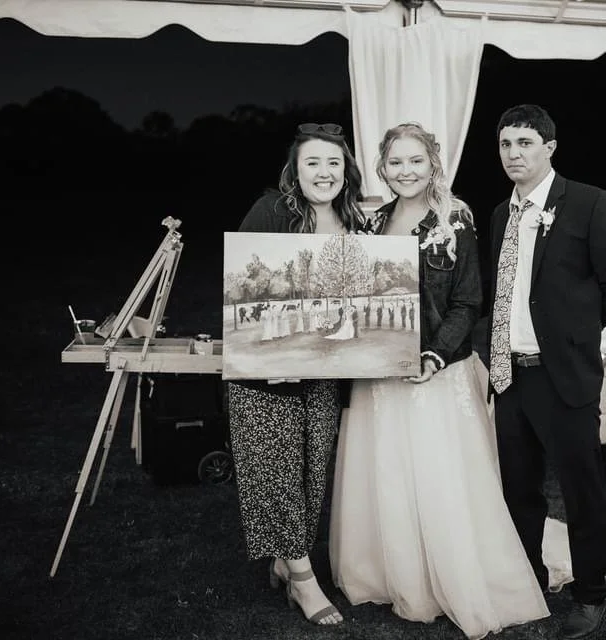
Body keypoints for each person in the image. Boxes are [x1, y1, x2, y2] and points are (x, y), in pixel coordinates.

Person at [330, 122, 549, 640]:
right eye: (395, 163)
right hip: (379, 371)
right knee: (384, 470)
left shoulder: (455, 219)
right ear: (382, 168)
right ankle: (389, 571)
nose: (406, 171)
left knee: (437, 475)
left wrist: (434, 354)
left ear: (433, 164)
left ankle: (450, 575)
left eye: (416, 161)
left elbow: (468, 299)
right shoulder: (371, 221)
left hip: (436, 371)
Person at [487, 104, 606, 640]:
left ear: (549, 148)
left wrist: (575, 329)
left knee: (581, 490)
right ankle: (528, 579)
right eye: (506, 144)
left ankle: (590, 593)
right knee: (519, 489)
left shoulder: (591, 204)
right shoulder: (497, 215)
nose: (514, 153)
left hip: (565, 375)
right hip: (510, 379)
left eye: (525, 143)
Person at [228, 122, 364, 626]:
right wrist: (270, 356)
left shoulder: (356, 224)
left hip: (325, 373)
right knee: (277, 472)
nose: (324, 172)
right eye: (313, 162)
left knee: (310, 474)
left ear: (345, 171)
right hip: (268, 374)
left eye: (333, 163)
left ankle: (286, 563)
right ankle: (306, 581)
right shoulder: (271, 212)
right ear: (295, 170)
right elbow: (240, 284)